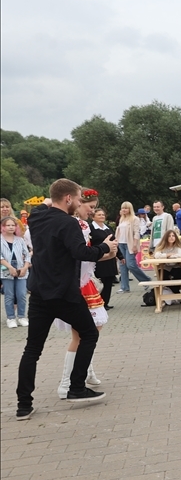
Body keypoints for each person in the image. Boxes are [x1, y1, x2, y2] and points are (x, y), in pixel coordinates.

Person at [15, 180, 116, 420]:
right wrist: (105, 247)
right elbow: (81, 253)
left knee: (32, 349)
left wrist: (55, 196)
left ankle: (23, 405)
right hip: (64, 294)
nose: (82, 204)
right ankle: (76, 388)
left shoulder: (37, 216)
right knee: (90, 334)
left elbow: (48, 202)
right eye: (80, 199)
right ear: (69, 199)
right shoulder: (69, 223)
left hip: (39, 293)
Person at [55, 188, 109, 398]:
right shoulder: (73, 225)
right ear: (78, 203)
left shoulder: (84, 225)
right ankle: (66, 382)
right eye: (90, 207)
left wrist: (107, 251)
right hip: (76, 284)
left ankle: (86, 370)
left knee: (92, 332)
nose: (93, 211)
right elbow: (79, 256)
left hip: (86, 281)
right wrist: (104, 250)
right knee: (81, 335)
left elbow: (86, 257)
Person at [1, 216, 31, 327]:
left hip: (20, 269)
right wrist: (9, 267)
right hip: (6, 269)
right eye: (8, 225)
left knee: (22, 294)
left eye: (13, 225)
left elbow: (27, 255)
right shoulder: (1, 240)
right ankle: (10, 317)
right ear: (3, 227)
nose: (10, 227)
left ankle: (22, 316)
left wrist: (25, 267)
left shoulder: (20, 240)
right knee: (9, 295)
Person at [116, 202, 151, 292]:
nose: (124, 210)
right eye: (123, 208)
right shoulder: (121, 219)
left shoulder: (135, 219)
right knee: (122, 265)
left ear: (130, 209)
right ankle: (124, 287)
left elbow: (136, 232)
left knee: (131, 265)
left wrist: (135, 245)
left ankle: (146, 280)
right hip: (121, 243)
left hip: (130, 244)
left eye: (126, 208)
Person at [89, 208, 117, 309]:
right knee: (100, 280)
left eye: (103, 215)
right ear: (93, 217)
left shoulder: (108, 228)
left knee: (109, 281)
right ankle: (98, 302)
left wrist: (120, 255)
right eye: (99, 215)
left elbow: (114, 241)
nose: (102, 216)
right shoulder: (91, 228)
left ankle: (106, 302)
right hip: (99, 258)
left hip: (110, 258)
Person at [153, 229, 181, 294]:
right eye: (169, 236)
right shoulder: (162, 246)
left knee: (178, 273)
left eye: (173, 236)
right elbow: (156, 255)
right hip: (165, 266)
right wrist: (167, 254)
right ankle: (174, 293)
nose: (171, 237)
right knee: (162, 274)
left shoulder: (177, 246)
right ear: (166, 237)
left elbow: (179, 255)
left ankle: (175, 293)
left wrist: (167, 256)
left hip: (176, 266)